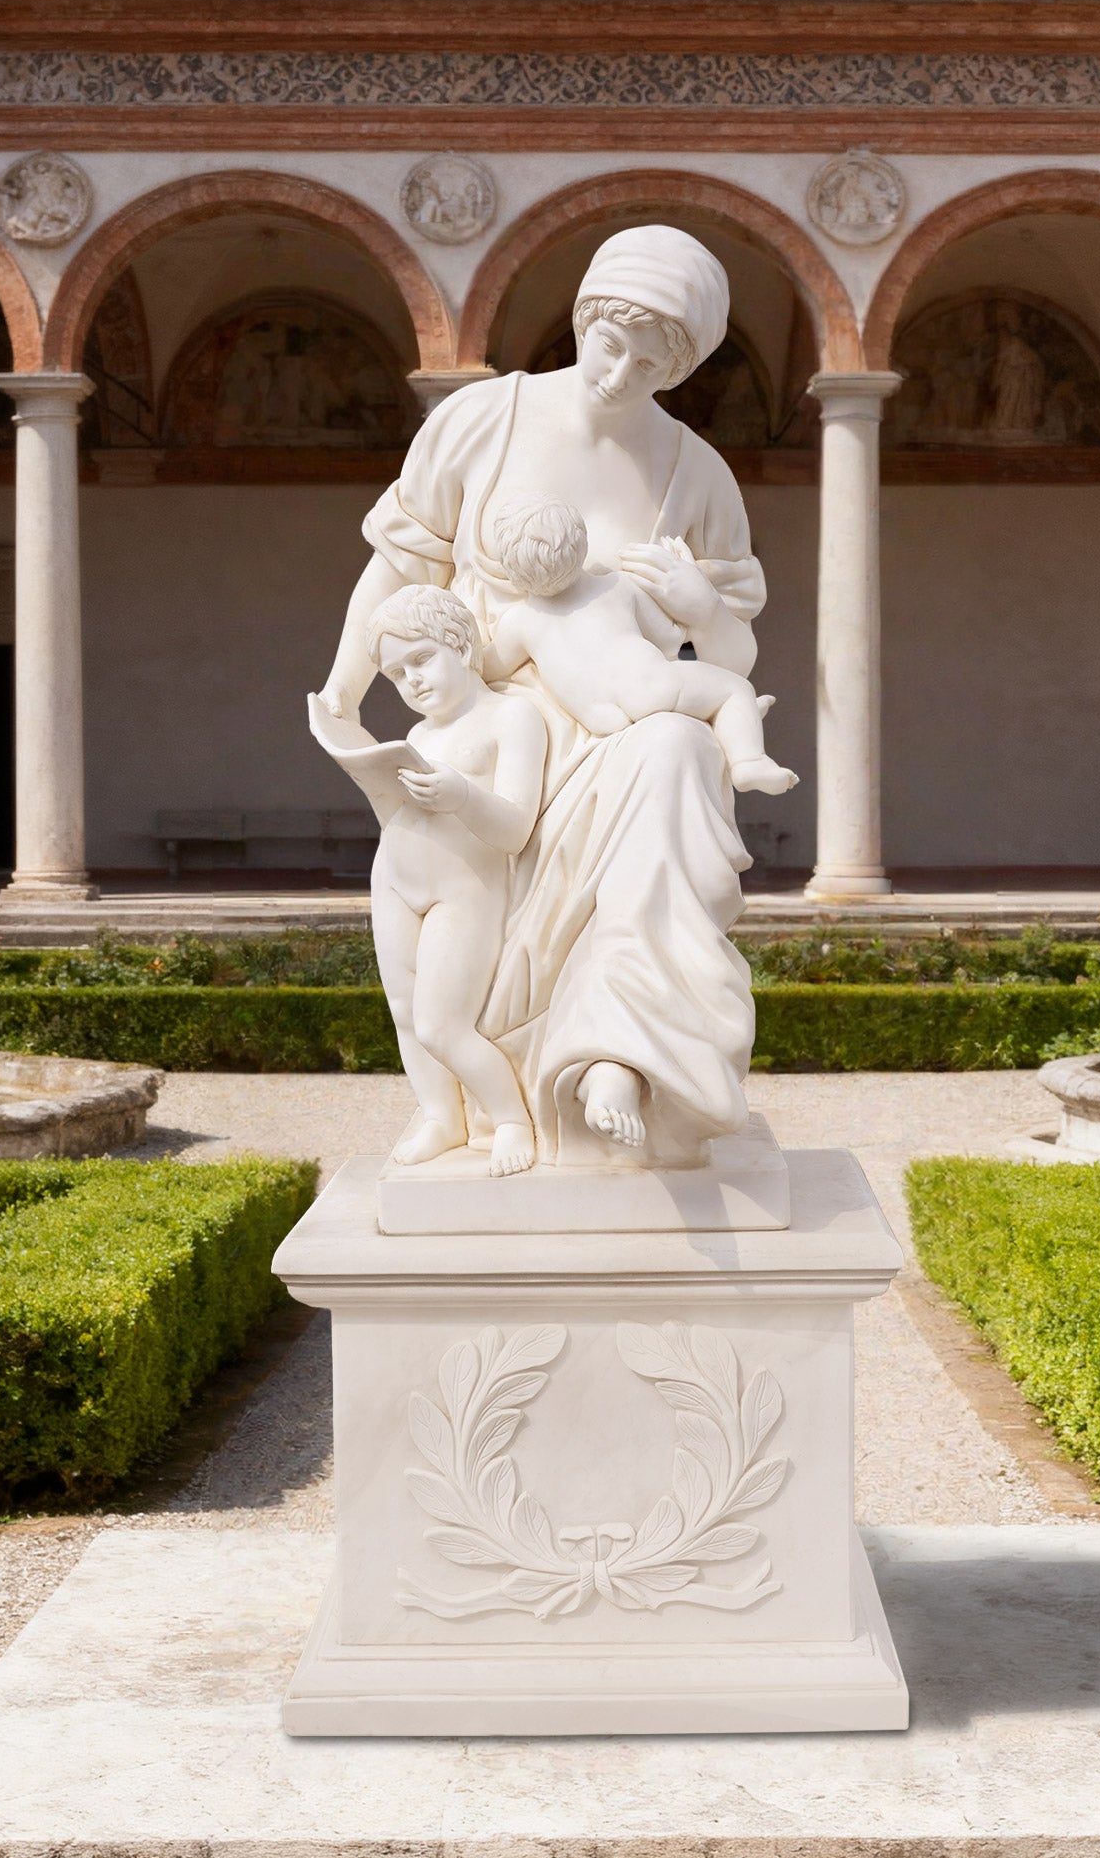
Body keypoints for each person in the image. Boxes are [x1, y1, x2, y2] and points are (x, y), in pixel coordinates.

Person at [316, 226, 766, 1167]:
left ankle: (618, 1055)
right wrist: (344, 689)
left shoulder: (696, 475)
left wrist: (698, 607)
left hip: (625, 727)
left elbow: (733, 651)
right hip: (492, 730)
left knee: (679, 749)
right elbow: (400, 569)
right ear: (584, 318)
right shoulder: (483, 419)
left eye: (651, 363)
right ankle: (470, 1104)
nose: (619, 373)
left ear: (680, 369)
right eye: (610, 343)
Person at [363, 585, 549, 1176]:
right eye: (396, 674)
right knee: (404, 1012)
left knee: (442, 1024)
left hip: (462, 890)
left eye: (421, 659)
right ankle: (442, 1116)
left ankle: (511, 1118)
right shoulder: (418, 735)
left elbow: (515, 827)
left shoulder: (511, 716)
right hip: (395, 878)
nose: (412, 681)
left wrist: (463, 794)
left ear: (462, 645)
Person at [484, 492, 796, 796]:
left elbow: (488, 668)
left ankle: (727, 719)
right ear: (582, 544)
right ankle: (748, 761)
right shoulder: (615, 586)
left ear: (509, 568)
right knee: (735, 690)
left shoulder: (518, 622)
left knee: (692, 703)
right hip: (649, 686)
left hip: (600, 718)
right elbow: (670, 639)